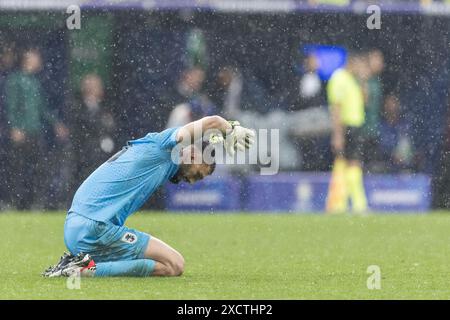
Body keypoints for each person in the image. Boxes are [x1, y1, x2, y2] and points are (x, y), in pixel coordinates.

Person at [43, 115, 255, 277]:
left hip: (74, 227)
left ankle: (82, 263)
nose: (191, 182)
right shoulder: (165, 146)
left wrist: (217, 142)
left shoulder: (158, 155)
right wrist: (229, 129)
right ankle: (80, 270)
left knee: (164, 262)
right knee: (174, 264)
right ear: (192, 154)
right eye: (197, 175)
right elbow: (212, 122)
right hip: (95, 228)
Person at [4, 47, 68, 209]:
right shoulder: (15, 80)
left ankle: (35, 201)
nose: (38, 61)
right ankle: (14, 202)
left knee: (38, 168)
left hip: (35, 131)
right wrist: (15, 127)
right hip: (22, 131)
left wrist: (56, 124)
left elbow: (42, 108)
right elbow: (10, 106)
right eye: (35, 57)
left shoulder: (35, 82)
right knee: (17, 168)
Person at [325, 51, 368, 214]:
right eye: (360, 65)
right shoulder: (339, 78)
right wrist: (338, 134)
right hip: (346, 126)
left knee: (346, 163)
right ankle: (358, 204)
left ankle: (340, 204)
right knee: (352, 163)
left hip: (356, 126)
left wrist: (363, 81)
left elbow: (365, 101)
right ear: (352, 62)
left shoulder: (353, 80)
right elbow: (336, 107)